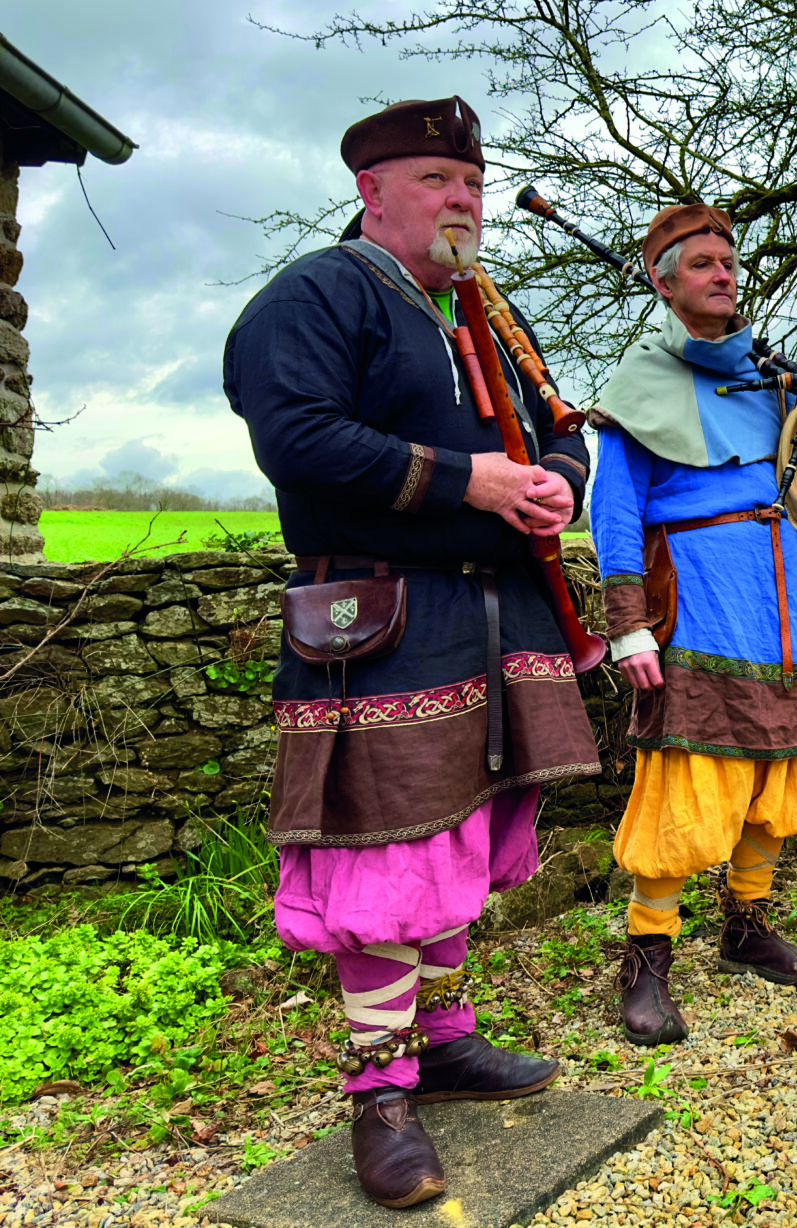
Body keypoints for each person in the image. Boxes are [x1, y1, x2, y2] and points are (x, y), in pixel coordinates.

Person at [223, 97, 600, 1208]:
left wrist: (555, 484)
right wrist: (464, 478)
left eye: (471, 183)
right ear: (370, 192)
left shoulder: (488, 308)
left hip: (496, 611)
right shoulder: (318, 294)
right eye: (435, 179)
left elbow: (561, 423)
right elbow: (293, 433)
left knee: (461, 843)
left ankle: (441, 1043)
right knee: (390, 855)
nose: (463, 200)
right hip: (378, 615)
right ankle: (377, 1093)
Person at [590, 204, 797, 1047]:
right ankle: (647, 961)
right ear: (663, 281)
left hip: (778, 589)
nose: (723, 272)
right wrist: (628, 625)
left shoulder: (768, 378)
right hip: (699, 592)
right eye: (703, 262)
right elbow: (614, 508)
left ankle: (746, 923)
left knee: (780, 765)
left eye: (728, 259)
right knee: (687, 776)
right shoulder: (639, 386)